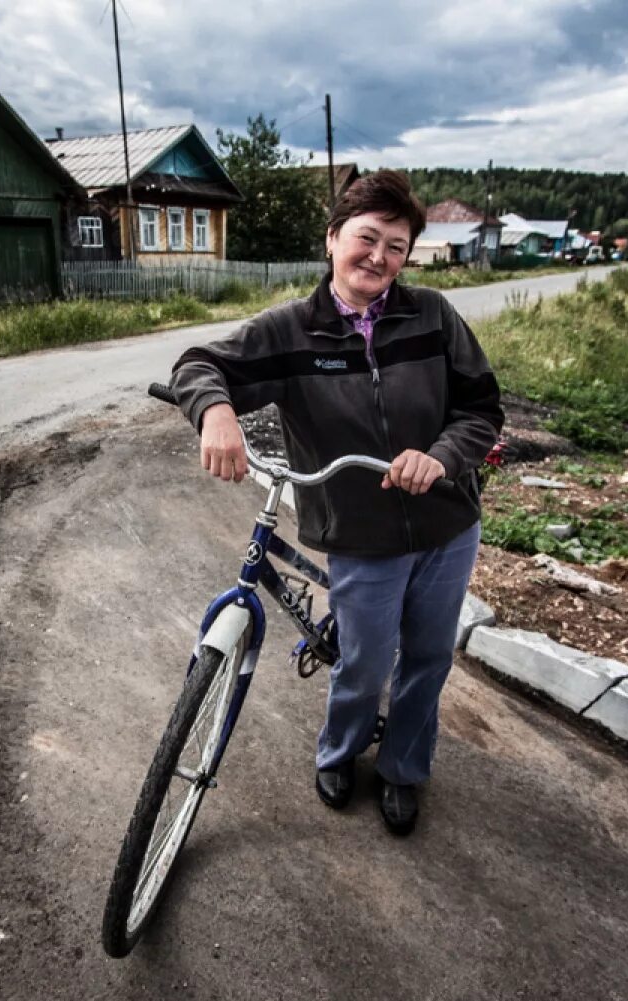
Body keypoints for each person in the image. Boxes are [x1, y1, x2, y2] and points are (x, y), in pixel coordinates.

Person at [169, 170, 502, 836]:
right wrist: (216, 413)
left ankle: (406, 766)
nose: (379, 257)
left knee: (429, 655)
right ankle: (342, 749)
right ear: (332, 240)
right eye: (367, 238)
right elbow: (199, 362)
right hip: (359, 532)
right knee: (365, 661)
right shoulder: (291, 331)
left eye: (397, 246)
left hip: (446, 524)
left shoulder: (433, 317)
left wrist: (440, 455)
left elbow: (480, 407)